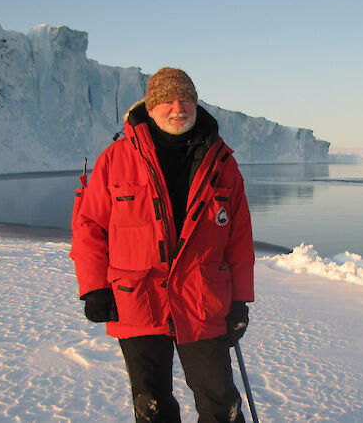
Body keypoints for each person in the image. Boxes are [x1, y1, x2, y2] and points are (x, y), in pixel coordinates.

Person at [70, 67, 255, 422]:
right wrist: (94, 288)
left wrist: (239, 300)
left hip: (203, 300)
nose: (177, 107)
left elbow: (239, 238)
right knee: (152, 404)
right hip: (138, 299)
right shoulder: (116, 158)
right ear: (151, 106)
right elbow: (89, 226)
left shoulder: (222, 163)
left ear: (196, 105)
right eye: (167, 100)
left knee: (221, 403)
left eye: (185, 99)